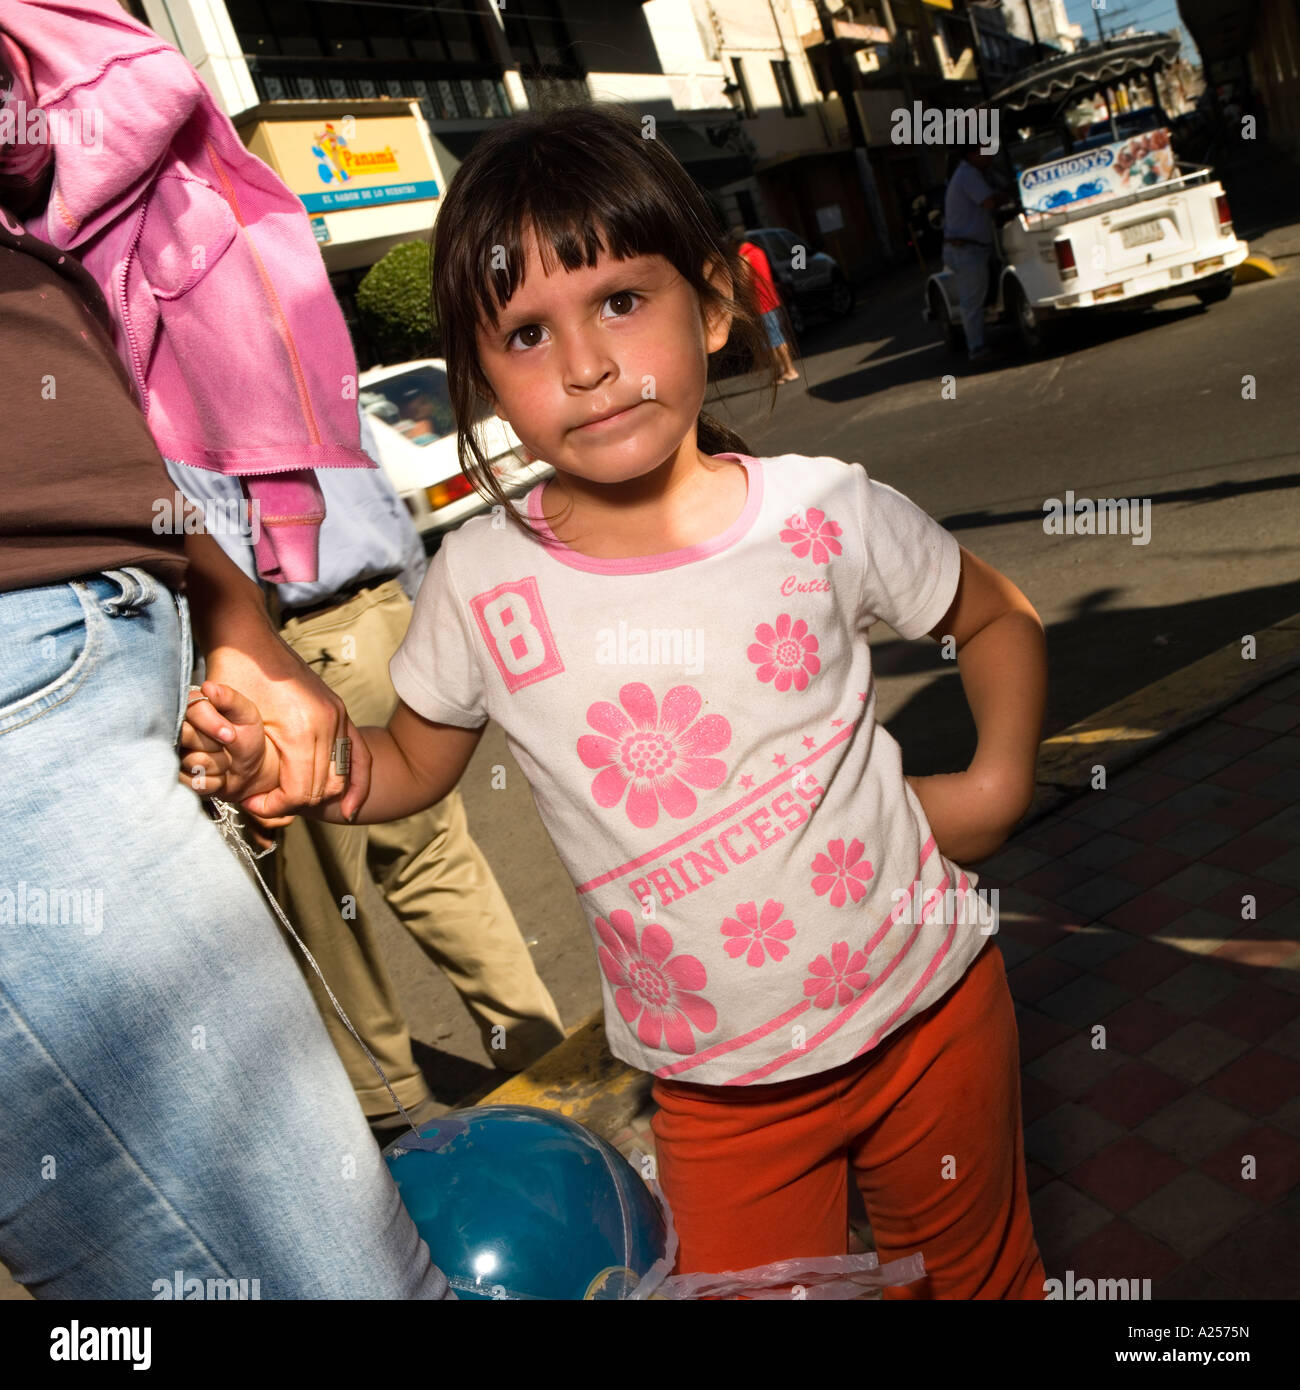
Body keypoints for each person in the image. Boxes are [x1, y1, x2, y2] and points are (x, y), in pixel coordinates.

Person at [188, 104, 1051, 1300]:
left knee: (981, 1283)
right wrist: (317, 770)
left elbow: (994, 614)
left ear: (709, 304)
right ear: (481, 379)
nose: (586, 365)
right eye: (526, 333)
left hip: (936, 1012)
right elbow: (410, 765)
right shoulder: (481, 581)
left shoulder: (822, 508)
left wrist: (999, 780)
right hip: (716, 1096)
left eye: (620, 303)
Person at [168, 426, 567, 1142]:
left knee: (330, 910)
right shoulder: (297, 347)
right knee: (436, 862)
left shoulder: (168, 388)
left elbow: (215, 548)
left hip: (294, 646)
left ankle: (398, 1114)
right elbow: (379, 493)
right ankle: (545, 1060)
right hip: (385, 612)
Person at [942, 145, 1017, 363]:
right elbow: (989, 202)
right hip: (966, 249)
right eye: (985, 152)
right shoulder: (968, 175)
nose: (990, 156)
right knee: (971, 303)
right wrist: (1007, 196)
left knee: (973, 300)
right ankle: (977, 349)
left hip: (970, 247)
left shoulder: (974, 173)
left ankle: (978, 345)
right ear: (972, 154)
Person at [731, 223, 800, 383]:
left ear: (735, 243)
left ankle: (788, 370)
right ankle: (783, 371)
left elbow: (742, 283)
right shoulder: (758, 252)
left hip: (759, 304)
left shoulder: (743, 257)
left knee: (772, 340)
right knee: (776, 337)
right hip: (771, 299)